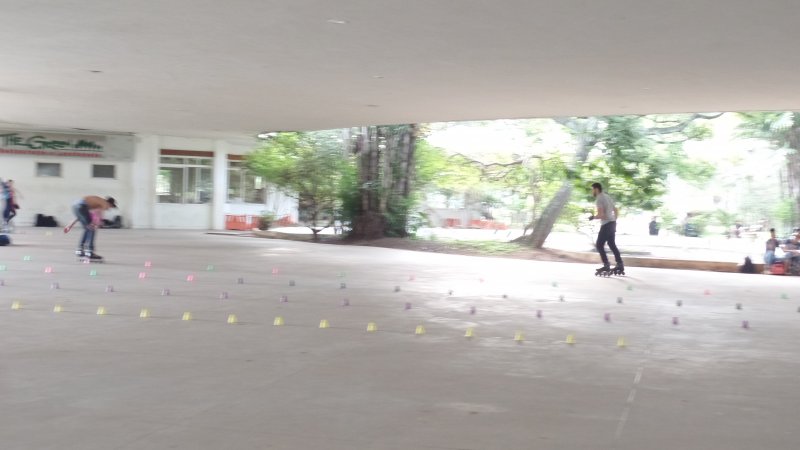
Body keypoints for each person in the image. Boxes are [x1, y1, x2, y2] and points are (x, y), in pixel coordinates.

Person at [68, 196, 116, 260]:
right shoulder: (104, 203)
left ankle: (80, 250)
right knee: (92, 228)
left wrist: (70, 225)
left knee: (87, 229)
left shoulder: (94, 204)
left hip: (75, 206)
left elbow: (81, 212)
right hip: (81, 206)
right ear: (109, 203)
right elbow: (99, 215)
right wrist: (98, 223)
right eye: (110, 207)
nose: (109, 209)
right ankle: (90, 252)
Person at [590, 182, 624, 273]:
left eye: (592, 189)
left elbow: (601, 215)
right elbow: (615, 209)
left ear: (596, 189)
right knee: (612, 244)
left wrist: (593, 217)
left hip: (606, 225)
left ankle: (606, 265)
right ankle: (620, 264)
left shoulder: (599, 199)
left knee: (599, 245)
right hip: (612, 223)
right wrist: (614, 220)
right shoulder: (607, 197)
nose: (592, 191)